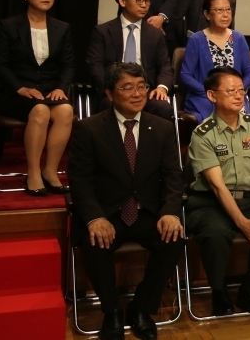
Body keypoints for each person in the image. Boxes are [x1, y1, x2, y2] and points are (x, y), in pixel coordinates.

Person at [69, 63, 183, 340]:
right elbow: (80, 180)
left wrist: (170, 211)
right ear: (110, 93)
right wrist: (95, 218)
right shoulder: (89, 128)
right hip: (108, 212)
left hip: (147, 211)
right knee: (93, 243)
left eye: (142, 86)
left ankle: (141, 308)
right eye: (127, 87)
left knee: (173, 239)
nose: (137, 93)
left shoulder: (163, 128)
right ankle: (112, 312)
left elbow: (173, 176)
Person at [186, 67, 250, 316]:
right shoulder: (202, 134)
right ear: (212, 95)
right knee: (216, 233)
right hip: (210, 202)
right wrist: (242, 223)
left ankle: (249, 286)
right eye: (231, 91)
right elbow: (217, 187)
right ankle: (218, 291)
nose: (239, 95)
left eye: (241, 90)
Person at [0, 0, 74, 196]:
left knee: (66, 110)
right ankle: (33, 173)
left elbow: (69, 65)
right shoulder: (9, 26)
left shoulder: (62, 28)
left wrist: (60, 87)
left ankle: (50, 171)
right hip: (16, 94)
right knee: (40, 110)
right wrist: (20, 88)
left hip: (49, 91)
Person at [86, 0, 174, 120]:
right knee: (107, 106)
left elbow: (165, 66)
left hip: (144, 92)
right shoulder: (103, 31)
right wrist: (112, 90)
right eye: (138, 0)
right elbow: (94, 65)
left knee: (163, 108)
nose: (144, 5)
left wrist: (161, 87)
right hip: (115, 92)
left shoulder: (155, 34)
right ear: (122, 1)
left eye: (147, 0)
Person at [180, 0, 250, 122]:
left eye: (228, 9)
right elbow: (185, 75)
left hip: (234, 97)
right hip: (206, 97)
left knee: (247, 123)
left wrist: (237, 90)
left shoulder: (238, 38)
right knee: (216, 120)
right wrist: (209, 92)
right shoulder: (196, 39)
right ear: (207, 14)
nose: (225, 14)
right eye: (219, 10)